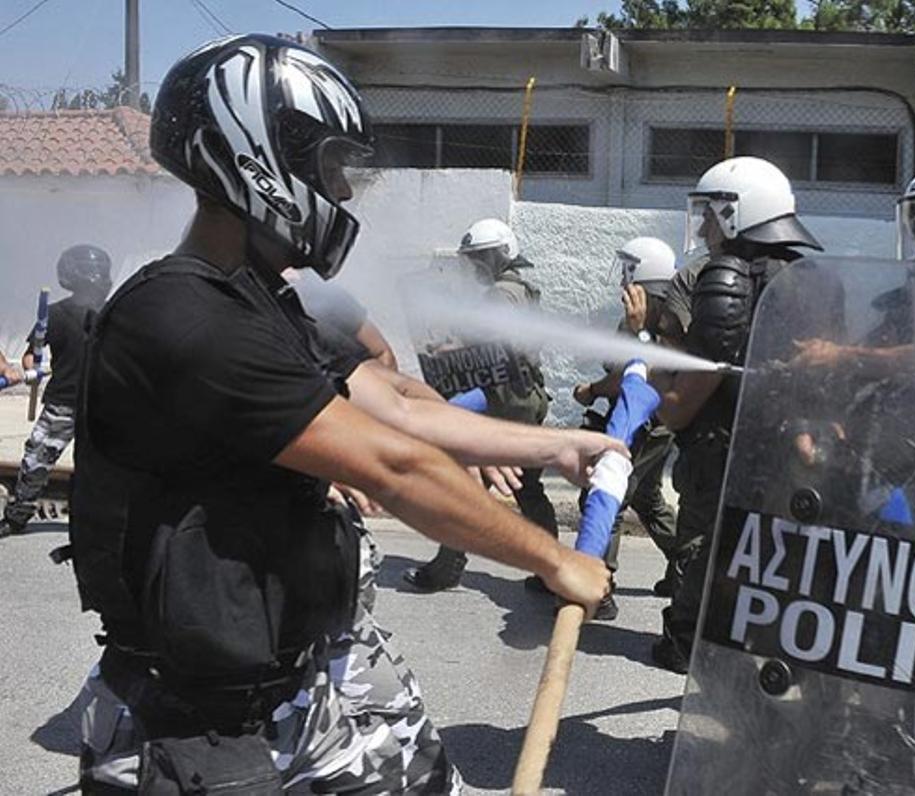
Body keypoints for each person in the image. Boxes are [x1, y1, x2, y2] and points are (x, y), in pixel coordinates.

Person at [69, 35, 615, 794]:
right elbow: (392, 465)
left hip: (305, 685)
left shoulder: (261, 300)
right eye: (327, 168)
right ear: (258, 160)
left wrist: (555, 446)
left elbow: (392, 403)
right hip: (195, 725)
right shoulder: (182, 317)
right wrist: (555, 560)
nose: (344, 194)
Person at [649, 156, 832, 673]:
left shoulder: (726, 277)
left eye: (712, 213)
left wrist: (653, 372)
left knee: (706, 561)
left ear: (738, 214)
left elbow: (683, 407)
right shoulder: (809, 277)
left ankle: (686, 645)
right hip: (791, 463)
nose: (705, 226)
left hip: (723, 458)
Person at [405, 217, 561, 593]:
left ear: (502, 253)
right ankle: (550, 569)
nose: (477, 265)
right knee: (527, 488)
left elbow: (492, 337)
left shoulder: (502, 294)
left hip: (506, 401)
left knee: (464, 486)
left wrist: (451, 346)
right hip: (524, 399)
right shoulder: (519, 288)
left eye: (482, 256)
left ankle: (446, 569)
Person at [574, 236, 681, 619]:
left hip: (644, 425)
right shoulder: (650, 319)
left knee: (607, 496)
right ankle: (684, 566)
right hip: (652, 425)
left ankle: (597, 587)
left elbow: (634, 377)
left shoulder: (662, 324)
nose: (622, 279)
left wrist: (591, 390)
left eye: (628, 270)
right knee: (647, 498)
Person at [0, 245, 111, 537]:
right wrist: (32, 369)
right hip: (63, 402)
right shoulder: (55, 315)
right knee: (36, 460)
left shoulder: (114, 313)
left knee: (102, 466)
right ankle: (18, 515)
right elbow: (30, 354)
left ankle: (102, 520)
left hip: (100, 403)